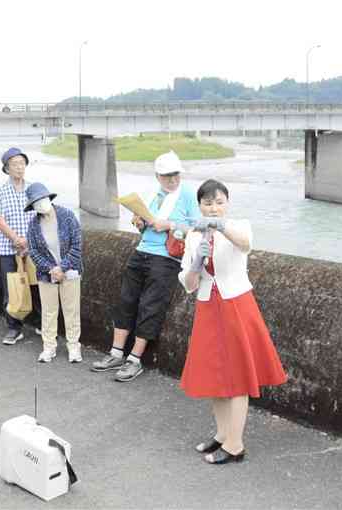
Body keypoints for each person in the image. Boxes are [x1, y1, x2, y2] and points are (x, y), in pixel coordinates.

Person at [178, 179, 287, 464]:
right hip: (208, 307)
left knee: (238, 375)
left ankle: (236, 445)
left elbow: (246, 244)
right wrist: (195, 266)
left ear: (227, 203)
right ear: (199, 205)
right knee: (215, 375)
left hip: (237, 306)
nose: (213, 208)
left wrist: (219, 227)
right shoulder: (191, 236)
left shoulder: (239, 226)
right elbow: (189, 284)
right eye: (207, 203)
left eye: (219, 202)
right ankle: (222, 434)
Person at [90, 150, 200, 382]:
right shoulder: (154, 194)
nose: (172, 180)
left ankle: (134, 359)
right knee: (126, 301)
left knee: (151, 307)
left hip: (166, 259)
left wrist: (169, 225)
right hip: (142, 252)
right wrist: (139, 222)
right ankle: (116, 353)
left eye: (175, 175)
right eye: (166, 176)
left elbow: (198, 230)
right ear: (157, 177)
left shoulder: (188, 195)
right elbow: (146, 224)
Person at [25, 183, 83, 363]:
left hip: (70, 271)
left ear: (49, 198)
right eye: (36, 202)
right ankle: (49, 347)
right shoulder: (33, 225)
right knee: (49, 312)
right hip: (46, 274)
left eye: (42, 199)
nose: (41, 204)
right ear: (33, 206)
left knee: (71, 311)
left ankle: (74, 347)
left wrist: (62, 267)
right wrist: (51, 269)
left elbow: (77, 246)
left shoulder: (67, 216)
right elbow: (33, 251)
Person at [0, 147, 40, 345]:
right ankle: (14, 327)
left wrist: (28, 240)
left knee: (37, 287)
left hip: (33, 247)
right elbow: (0, 222)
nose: (19, 167)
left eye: (22, 163)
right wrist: (16, 239)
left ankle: (40, 323)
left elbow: (41, 216)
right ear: (7, 169)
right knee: (11, 289)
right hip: (8, 249)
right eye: (15, 164)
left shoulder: (33, 189)